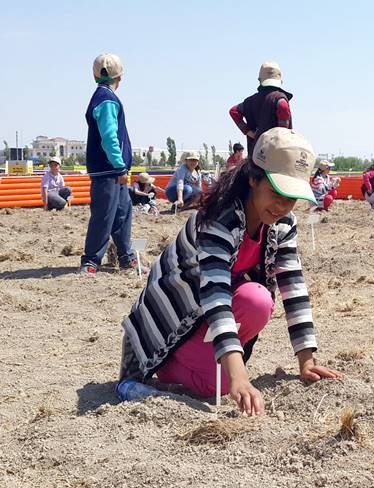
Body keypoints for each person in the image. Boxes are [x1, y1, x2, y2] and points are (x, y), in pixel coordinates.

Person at [118, 128, 343, 416]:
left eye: (291, 198)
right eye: (276, 193)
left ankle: (207, 369)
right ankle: (161, 374)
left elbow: (293, 286)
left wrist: (306, 360)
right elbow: (215, 295)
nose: (282, 206)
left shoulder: (283, 223)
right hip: (167, 331)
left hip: (204, 321)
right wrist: (238, 377)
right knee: (222, 384)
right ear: (253, 178)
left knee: (257, 300)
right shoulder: (220, 220)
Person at [80, 53, 140, 275]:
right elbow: (109, 136)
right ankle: (91, 260)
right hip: (110, 169)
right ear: (120, 77)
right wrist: (119, 165)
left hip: (114, 169)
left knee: (123, 212)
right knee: (105, 214)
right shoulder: (106, 100)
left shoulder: (103, 97)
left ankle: (126, 256)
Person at [229, 62, 292, 156]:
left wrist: (249, 132)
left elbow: (233, 111)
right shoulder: (280, 99)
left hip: (255, 156)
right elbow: (283, 109)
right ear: (280, 81)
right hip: (277, 158)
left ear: (260, 80)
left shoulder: (249, 101)